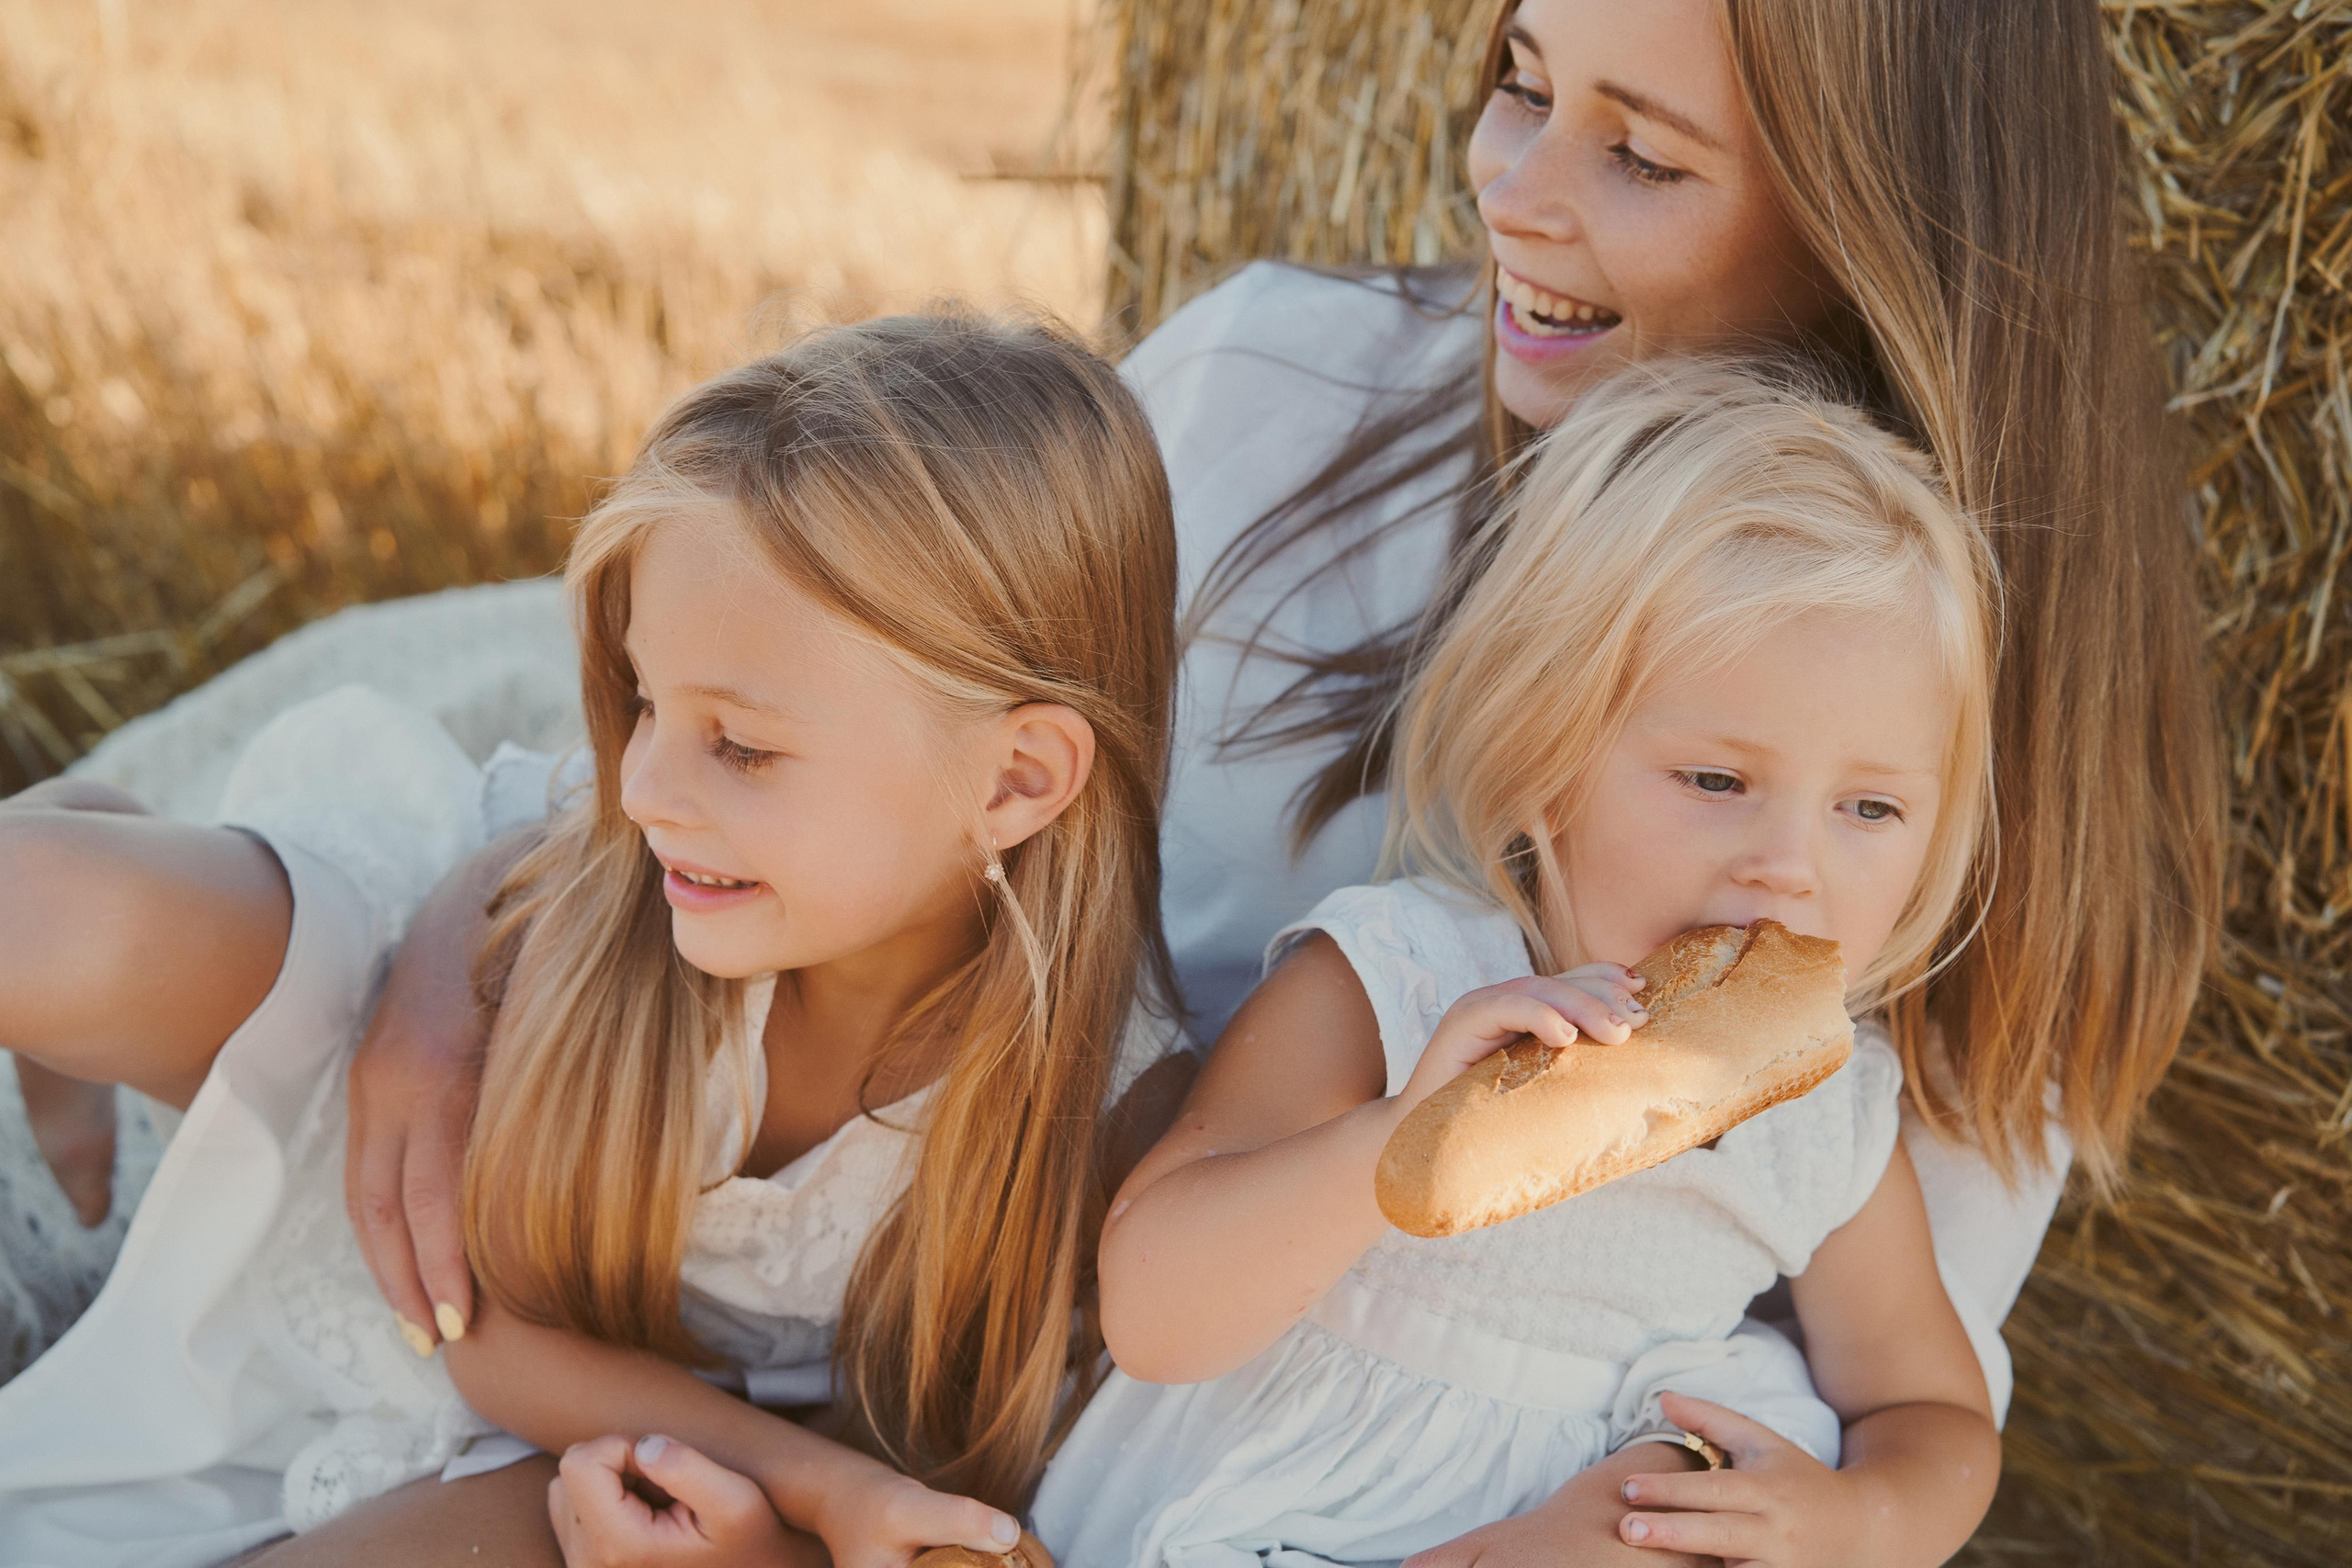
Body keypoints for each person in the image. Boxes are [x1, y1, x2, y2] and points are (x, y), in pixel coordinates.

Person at [9, 0, 2218, 1555]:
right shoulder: (1281, 395)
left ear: (1864, 222)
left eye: (1641, 155)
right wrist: (468, 936)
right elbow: (844, 682)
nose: (1515, 194)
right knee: (112, 933)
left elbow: (1837, 1409)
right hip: (679, 1032)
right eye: (1519, 84)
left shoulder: (1916, 744)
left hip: (933, 1333)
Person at [0, 310, 1190, 1568]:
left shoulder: (1111, 1117)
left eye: (742, 746)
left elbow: (488, 1339)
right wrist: (827, 1487)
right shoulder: (635, 901)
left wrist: (805, 1513)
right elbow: (478, 1284)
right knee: (61, 914)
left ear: (1014, 782)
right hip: (376, 1134)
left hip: (573, 1410)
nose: (641, 788)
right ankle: (101, 858)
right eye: (638, 701)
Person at [1033, 361, 2006, 1568]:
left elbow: (1932, 1413)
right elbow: (1153, 1311)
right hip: (1274, 1517)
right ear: (1547, 763)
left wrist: (1856, 1519)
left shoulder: (1823, 1114)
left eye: (1869, 809)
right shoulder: (1401, 981)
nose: (1789, 868)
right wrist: (1401, 1139)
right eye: (1717, 781)